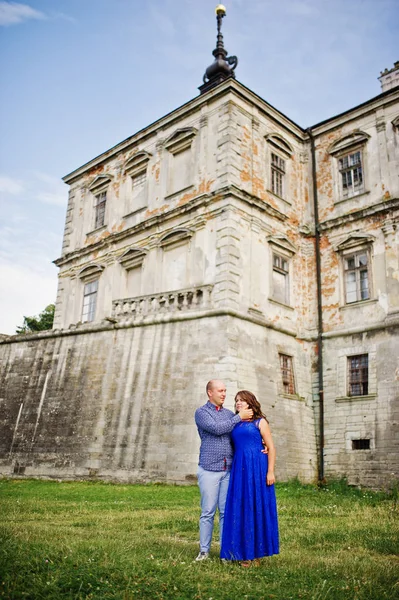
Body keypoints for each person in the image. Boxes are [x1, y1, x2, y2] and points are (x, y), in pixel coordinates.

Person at [194, 380, 254, 561]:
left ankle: (226, 552)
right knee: (208, 512)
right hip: (209, 469)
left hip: (228, 469)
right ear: (209, 393)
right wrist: (239, 417)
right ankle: (204, 551)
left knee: (226, 513)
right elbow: (217, 429)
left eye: (225, 391)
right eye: (220, 391)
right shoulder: (202, 413)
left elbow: (242, 435)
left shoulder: (229, 414)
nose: (223, 394)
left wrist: (262, 445)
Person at [220, 390, 279, 564]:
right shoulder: (234, 424)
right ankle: (243, 553)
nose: (238, 403)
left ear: (250, 403)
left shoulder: (260, 422)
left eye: (242, 400)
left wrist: (270, 471)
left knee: (258, 506)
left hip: (258, 467)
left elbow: (271, 447)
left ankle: (258, 553)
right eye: (237, 400)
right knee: (242, 507)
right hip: (240, 468)